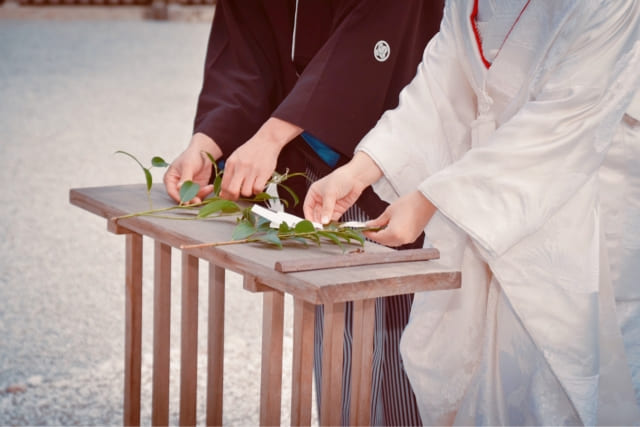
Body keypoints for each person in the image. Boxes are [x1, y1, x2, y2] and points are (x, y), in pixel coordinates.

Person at [304, 0, 640, 424]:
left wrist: (433, 199)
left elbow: (562, 119)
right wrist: (362, 167)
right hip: (479, 191)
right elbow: (442, 83)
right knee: (480, 373)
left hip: (581, 187)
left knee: (564, 375)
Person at [163, 1, 444, 424]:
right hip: (301, 154)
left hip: (379, 148)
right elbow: (243, 51)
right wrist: (209, 142)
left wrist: (271, 135)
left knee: (399, 337)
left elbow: (370, 38)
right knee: (339, 343)